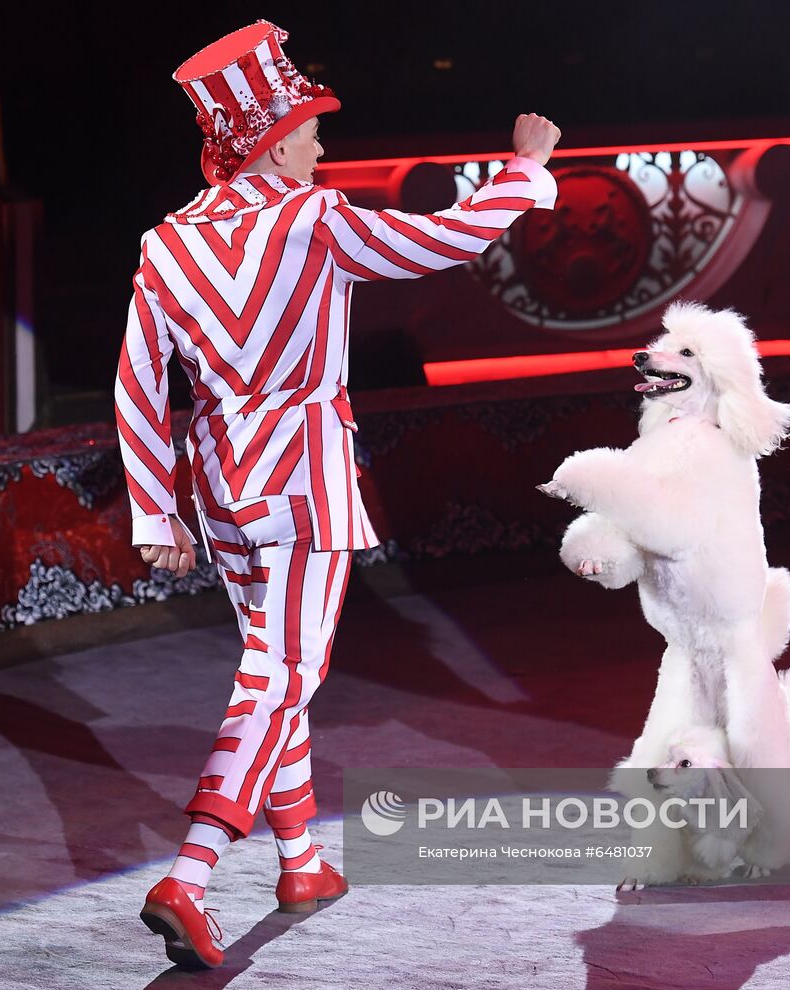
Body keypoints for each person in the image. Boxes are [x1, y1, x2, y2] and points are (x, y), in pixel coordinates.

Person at [116, 19, 560, 970]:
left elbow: (138, 387)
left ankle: (301, 856)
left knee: (274, 668)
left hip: (220, 476)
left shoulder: (165, 245)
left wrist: (157, 511)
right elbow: (444, 240)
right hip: (304, 470)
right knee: (282, 675)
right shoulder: (313, 218)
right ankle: (188, 878)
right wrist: (524, 171)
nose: (321, 144)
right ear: (274, 143)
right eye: (311, 129)